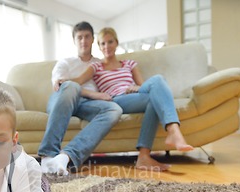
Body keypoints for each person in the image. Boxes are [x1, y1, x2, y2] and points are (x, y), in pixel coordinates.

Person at [65, 27, 193, 171]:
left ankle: (144, 157)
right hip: (117, 100)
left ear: (116, 43)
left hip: (136, 94)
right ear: (99, 47)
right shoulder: (96, 66)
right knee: (158, 81)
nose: (107, 46)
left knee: (156, 89)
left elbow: (143, 86)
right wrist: (62, 81)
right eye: (103, 43)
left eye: (110, 42)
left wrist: (137, 88)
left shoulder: (129, 64)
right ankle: (174, 131)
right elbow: (78, 81)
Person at [38, 21, 122, 176]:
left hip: (87, 105)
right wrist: (94, 94)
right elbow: (61, 86)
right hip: (63, 101)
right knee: (72, 86)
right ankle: (48, 155)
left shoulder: (99, 63)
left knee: (115, 109)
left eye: (87, 36)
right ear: (74, 41)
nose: (83, 41)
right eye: (79, 37)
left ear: (92, 39)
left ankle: (66, 157)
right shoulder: (65, 62)